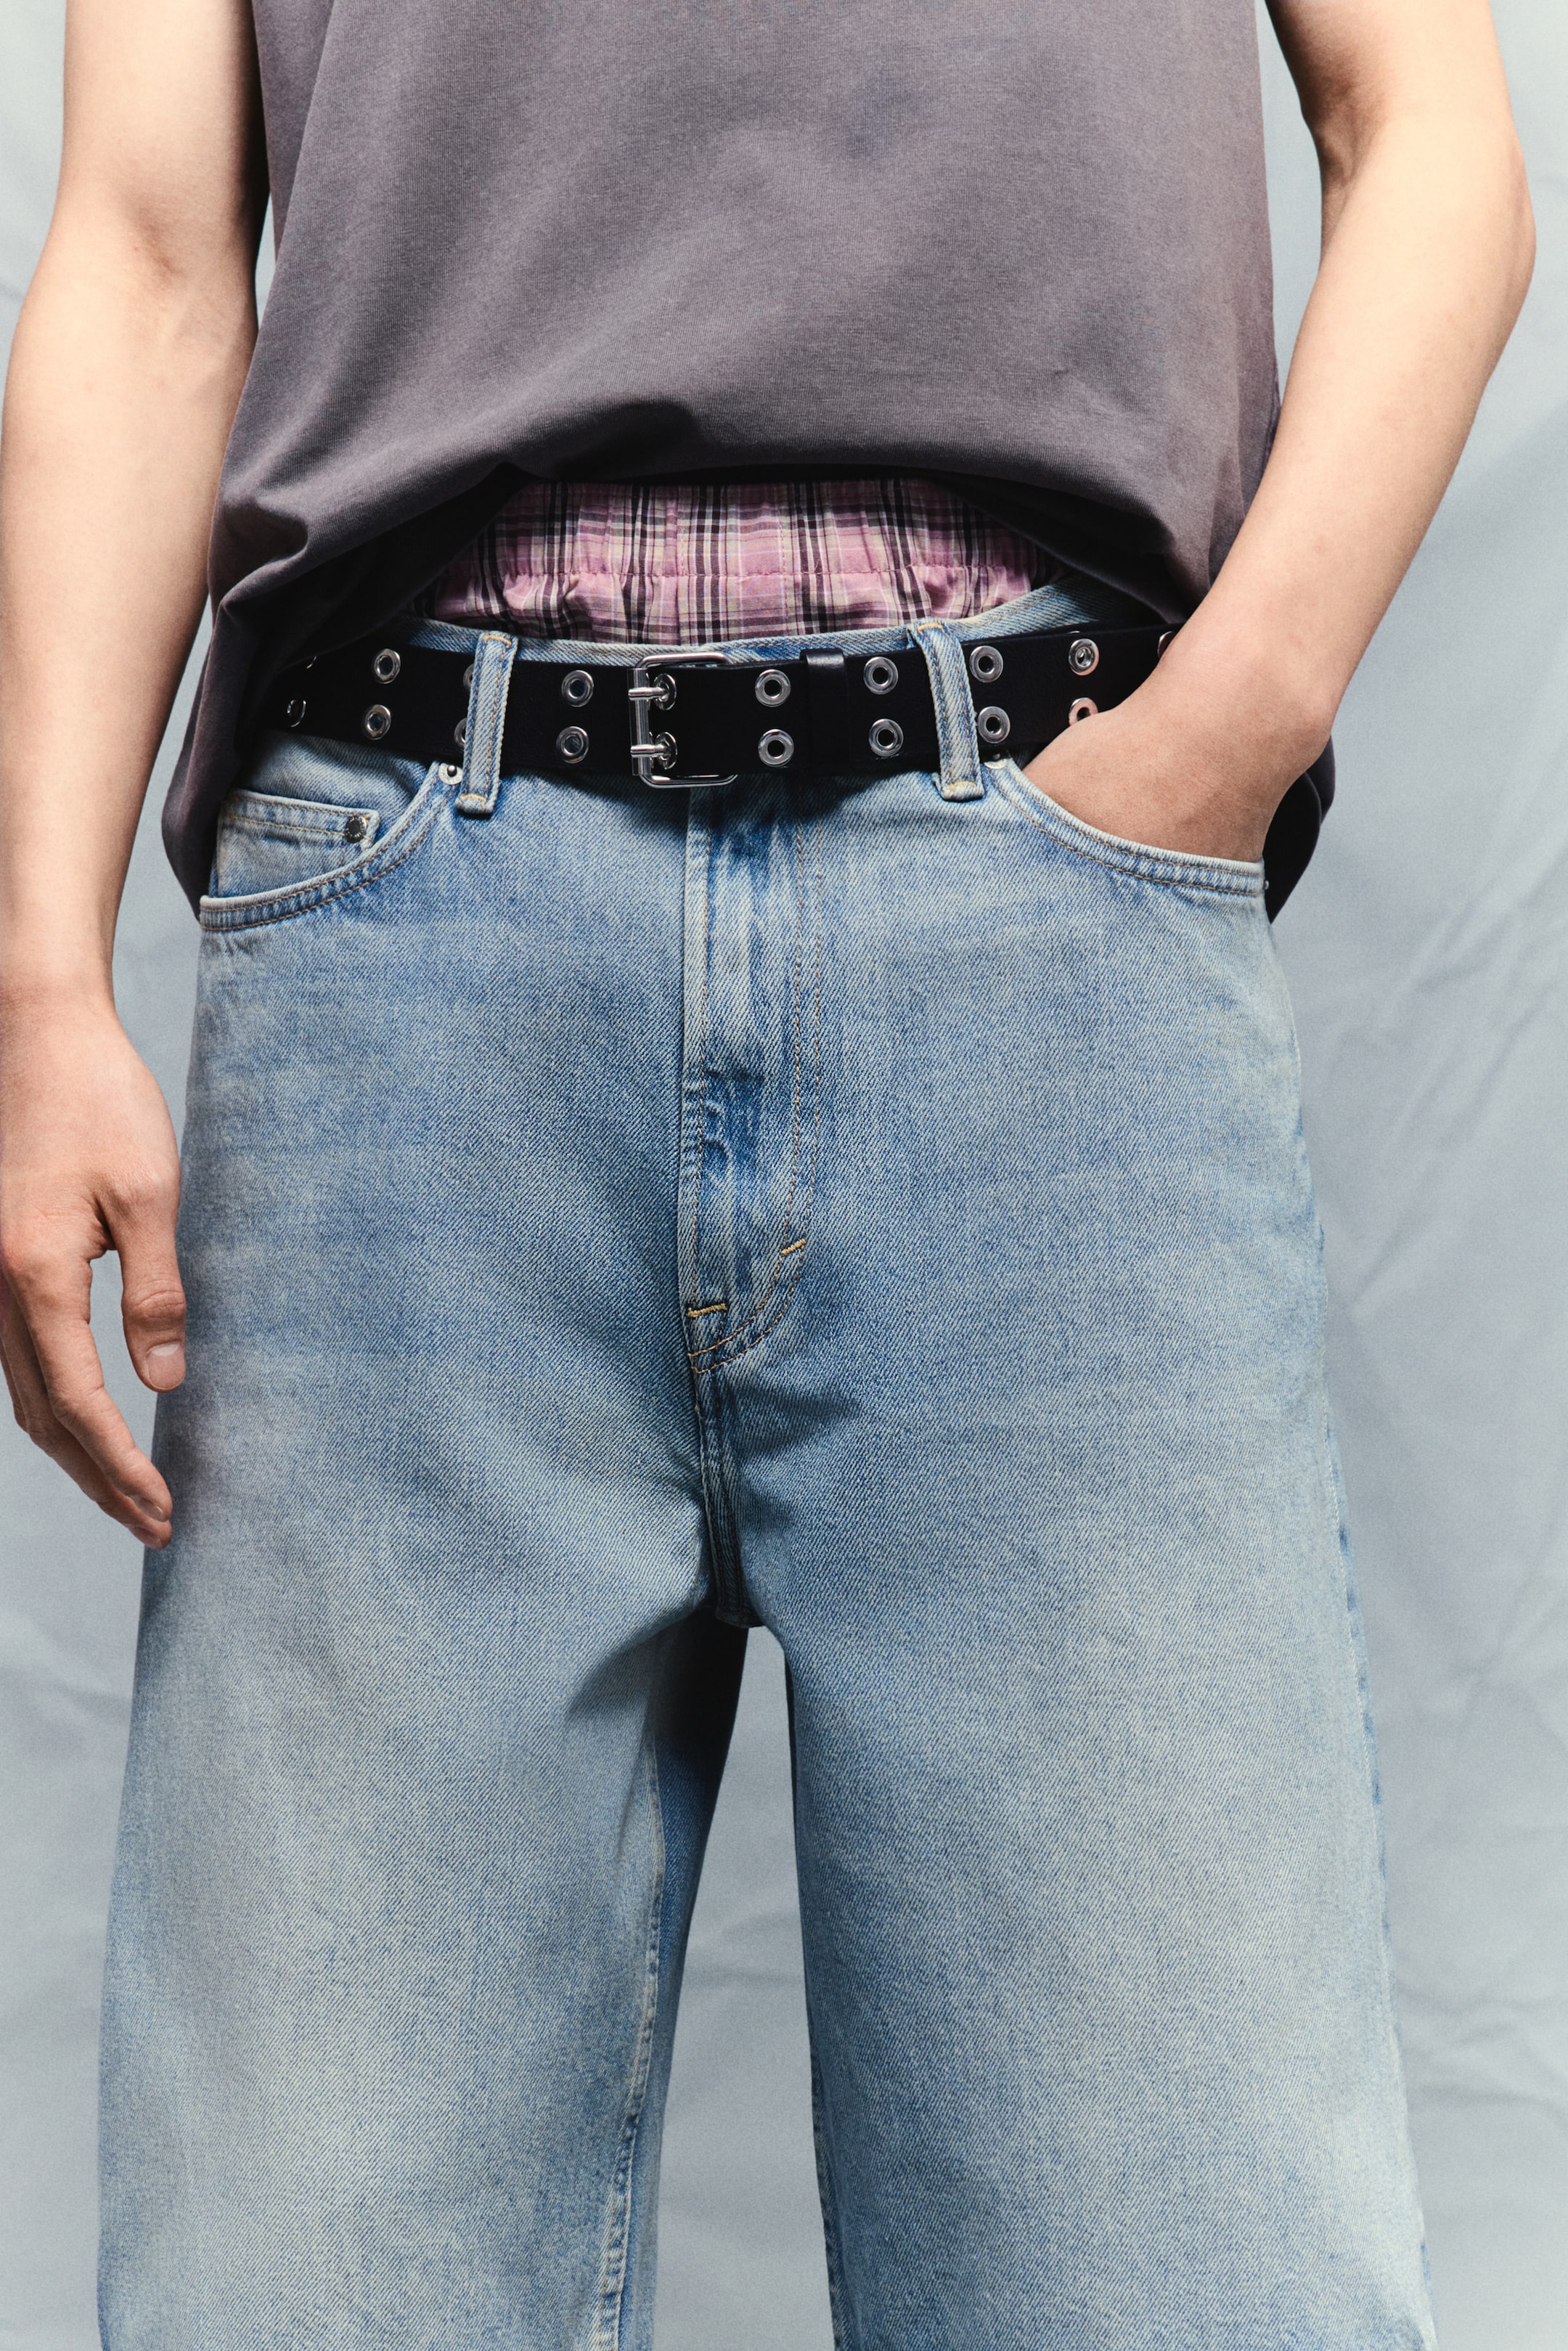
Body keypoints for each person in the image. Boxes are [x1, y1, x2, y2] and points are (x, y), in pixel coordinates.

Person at [0, 0, 1533, 2337]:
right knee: (305, 2284)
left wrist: (1242, 718)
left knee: (1177, 2272)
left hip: (1040, 931)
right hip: (409, 977)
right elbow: (141, 247)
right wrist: (38, 979)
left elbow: (1428, 127)